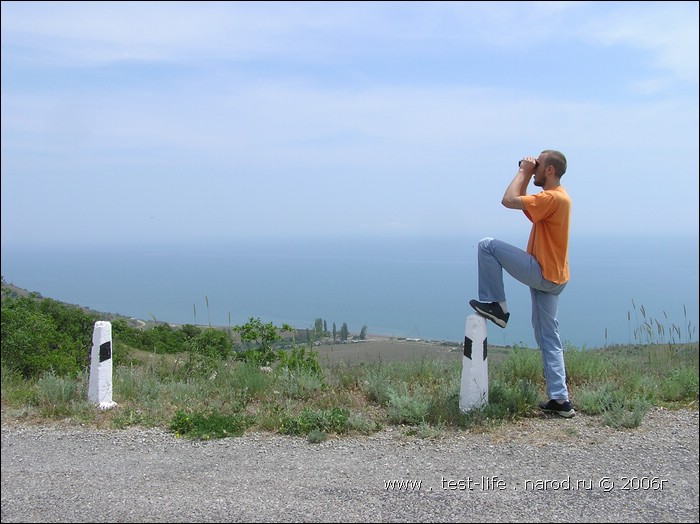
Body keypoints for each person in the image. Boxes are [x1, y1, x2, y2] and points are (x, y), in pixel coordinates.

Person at [469, 150, 574, 418]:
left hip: (541, 272)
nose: (535, 168)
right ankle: (560, 400)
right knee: (548, 337)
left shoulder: (551, 197)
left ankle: (497, 307)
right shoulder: (558, 199)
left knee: (487, 246)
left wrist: (523, 171)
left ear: (549, 170)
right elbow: (523, 203)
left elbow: (508, 200)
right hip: (554, 278)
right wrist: (529, 173)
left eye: (539, 165)